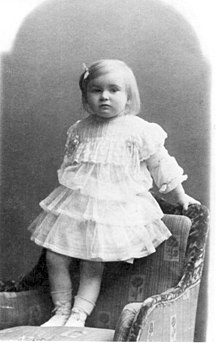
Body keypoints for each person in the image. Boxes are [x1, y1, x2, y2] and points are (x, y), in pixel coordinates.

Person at [28, 59, 200, 327]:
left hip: (115, 209)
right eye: (96, 90)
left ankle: (78, 315)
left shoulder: (139, 129)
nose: (104, 96)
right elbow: (73, 170)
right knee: (55, 256)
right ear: (86, 96)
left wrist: (180, 195)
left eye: (114, 90)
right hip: (79, 206)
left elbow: (160, 164)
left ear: (129, 96)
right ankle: (60, 311)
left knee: (92, 261)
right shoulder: (79, 129)